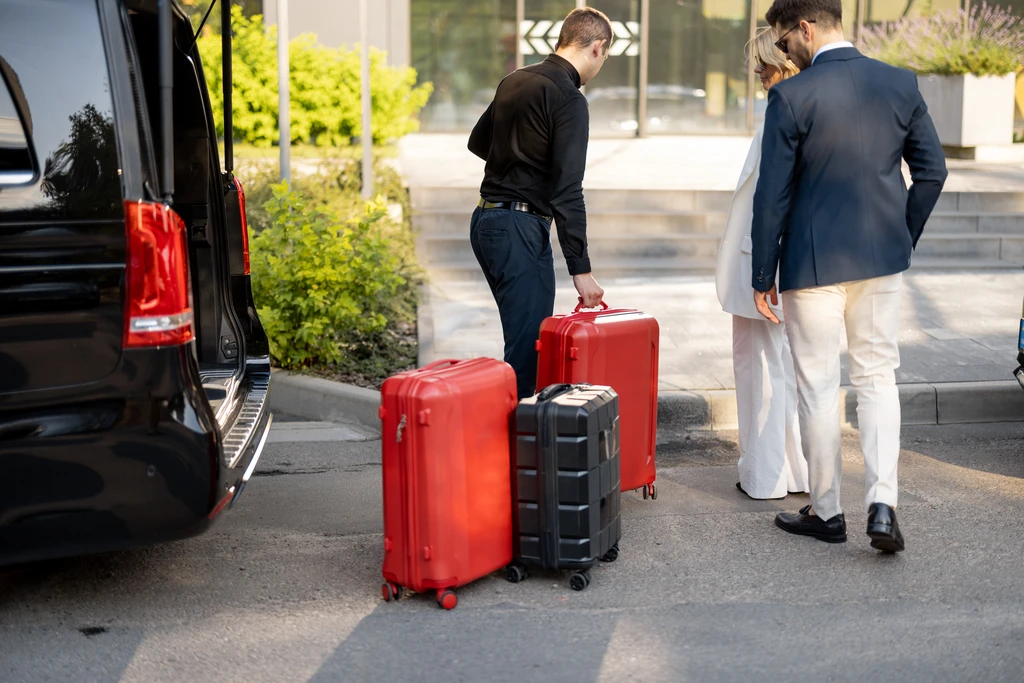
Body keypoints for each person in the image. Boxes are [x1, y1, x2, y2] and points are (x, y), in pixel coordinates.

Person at [752, 0, 947, 551]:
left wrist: (761, 271)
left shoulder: (790, 96)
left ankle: (828, 512)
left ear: (806, 27)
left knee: (818, 387)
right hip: (881, 261)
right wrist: (900, 237)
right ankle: (882, 505)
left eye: (785, 38)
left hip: (812, 265)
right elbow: (933, 171)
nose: (784, 49)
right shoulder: (899, 82)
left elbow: (773, 195)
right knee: (878, 378)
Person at [467, 7, 611, 399]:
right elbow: (568, 191)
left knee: (520, 342)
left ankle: (512, 445)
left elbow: (477, 143)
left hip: (485, 223)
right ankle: (512, 452)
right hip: (519, 229)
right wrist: (580, 269)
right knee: (528, 355)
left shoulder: (515, 80)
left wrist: (518, 164)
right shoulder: (569, 99)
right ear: (597, 48)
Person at [715, 27, 809, 501]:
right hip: (768, 262)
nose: (757, 72)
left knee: (764, 369)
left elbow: (778, 199)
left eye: (765, 62)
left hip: (766, 266)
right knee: (776, 366)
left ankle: (765, 474)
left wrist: (763, 271)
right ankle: (787, 471)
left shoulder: (786, 111)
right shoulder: (797, 107)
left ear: (787, 61)